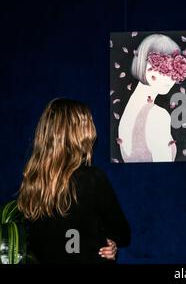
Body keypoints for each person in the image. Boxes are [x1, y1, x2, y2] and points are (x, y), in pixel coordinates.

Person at [17, 98, 130, 263]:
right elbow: (122, 233)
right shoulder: (92, 179)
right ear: (80, 133)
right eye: (88, 123)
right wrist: (111, 242)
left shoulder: (32, 182)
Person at [118, 34, 186, 162]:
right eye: (166, 69)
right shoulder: (158, 116)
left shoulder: (129, 113)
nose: (172, 79)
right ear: (149, 68)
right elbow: (164, 173)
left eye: (175, 72)